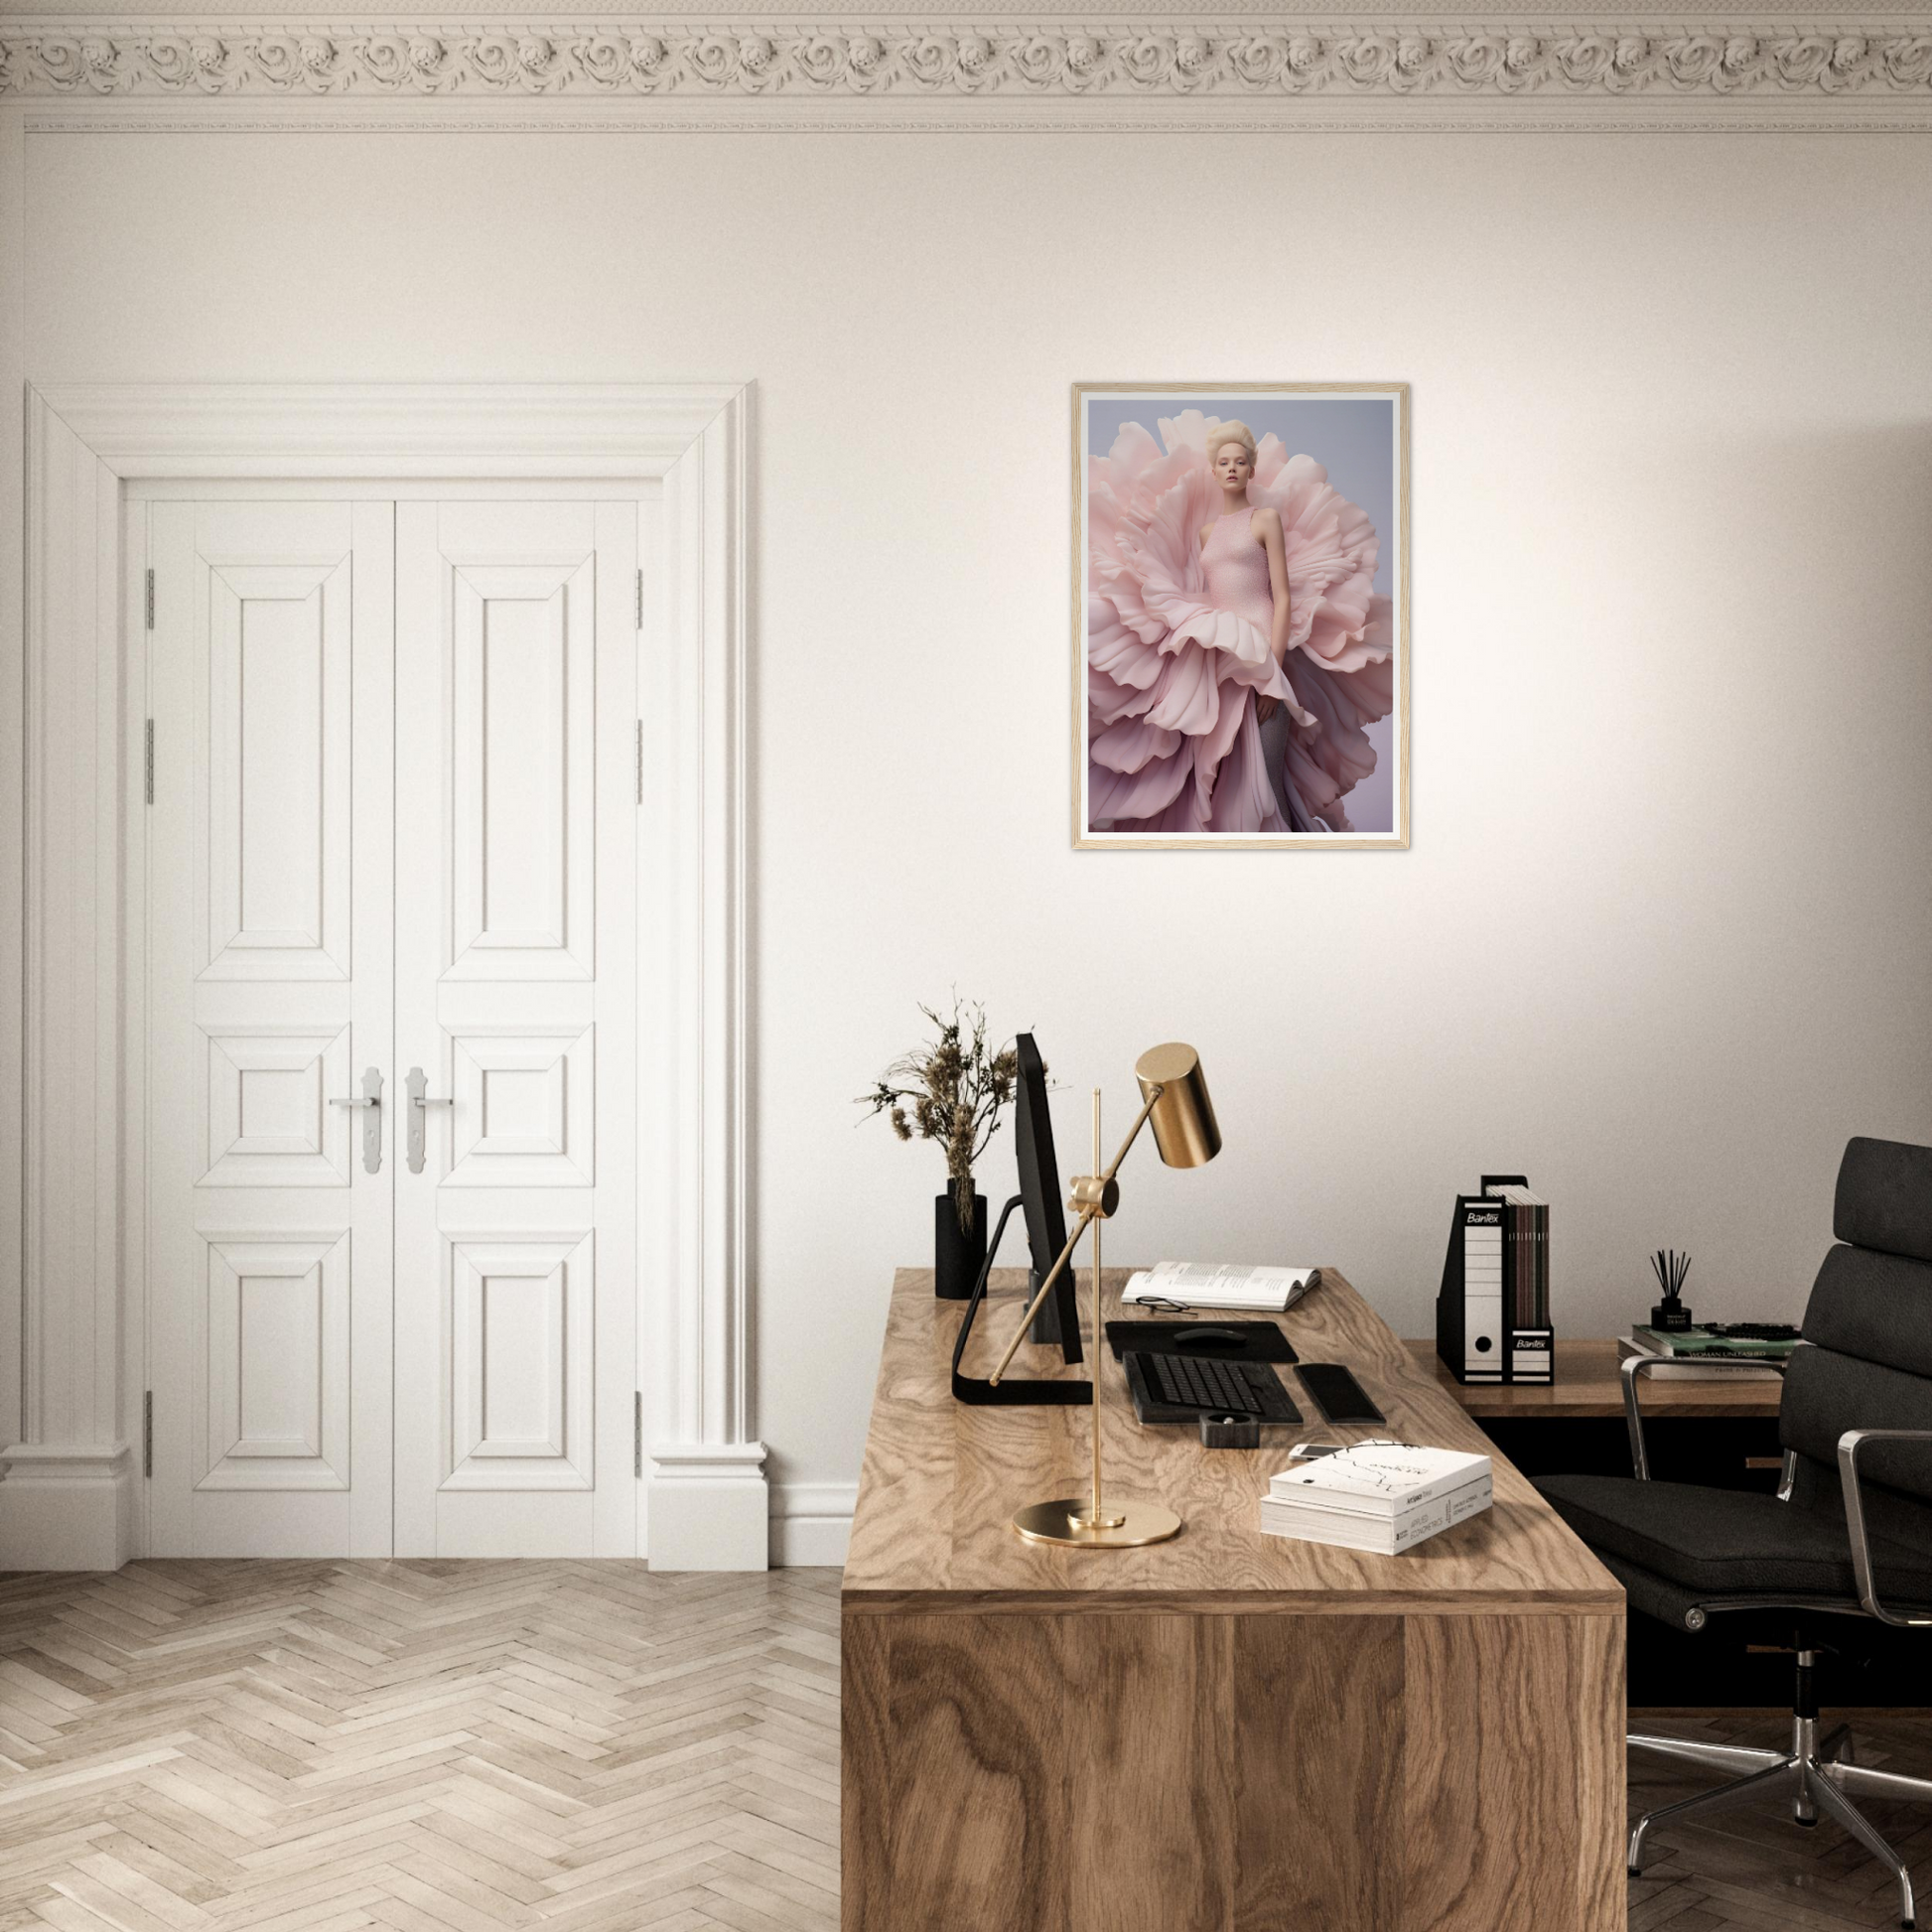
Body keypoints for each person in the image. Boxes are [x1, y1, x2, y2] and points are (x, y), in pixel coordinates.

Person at [1087, 410, 1394, 835]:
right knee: (1218, 782)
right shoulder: (1207, 533)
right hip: (1219, 663)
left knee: (1270, 779)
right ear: (1214, 472)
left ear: (1251, 468)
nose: (1232, 469)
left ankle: (1300, 867)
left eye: (1240, 461)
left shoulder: (1265, 520)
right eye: (1224, 463)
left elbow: (1281, 597)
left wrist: (1273, 669)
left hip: (1263, 658)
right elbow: (1217, 595)